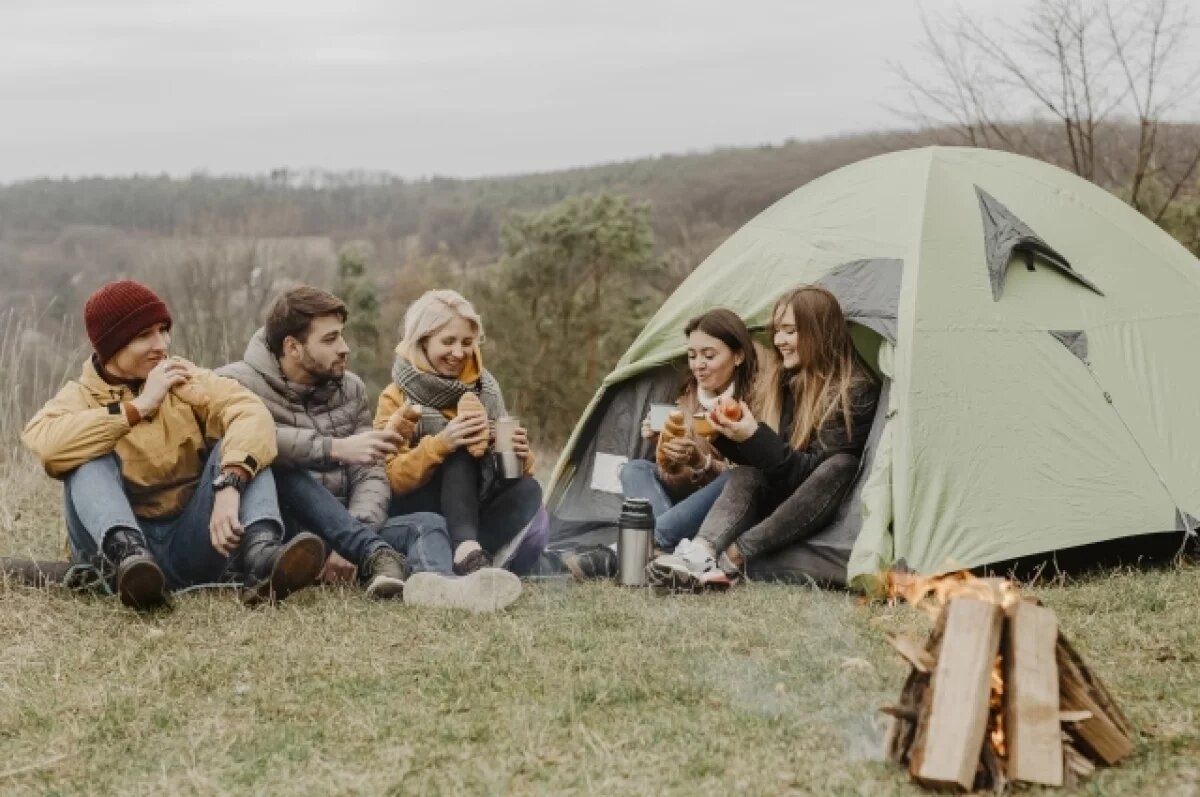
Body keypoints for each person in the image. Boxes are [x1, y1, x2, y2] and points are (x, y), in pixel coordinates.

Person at [21, 280, 325, 610]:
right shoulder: (77, 397)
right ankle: (131, 559)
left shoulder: (184, 377)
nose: (161, 344)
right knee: (85, 455)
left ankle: (261, 557)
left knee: (245, 448)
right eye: (144, 335)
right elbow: (47, 444)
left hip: (190, 542)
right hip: (114, 560)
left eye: (164, 330)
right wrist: (138, 408)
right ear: (111, 346)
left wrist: (230, 483)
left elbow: (251, 412)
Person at [219, 286, 521, 610]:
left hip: (351, 526)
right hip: (285, 531)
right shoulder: (236, 384)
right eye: (330, 339)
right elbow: (237, 444)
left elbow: (371, 471)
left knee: (429, 524)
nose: (344, 348)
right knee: (273, 459)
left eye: (342, 335)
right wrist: (335, 448)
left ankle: (442, 587)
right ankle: (299, 562)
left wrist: (353, 534)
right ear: (293, 347)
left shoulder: (350, 388)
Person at [647, 286, 880, 591]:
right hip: (779, 499)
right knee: (745, 474)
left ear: (819, 331)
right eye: (777, 331)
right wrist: (730, 435)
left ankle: (734, 556)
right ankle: (701, 553)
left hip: (817, 507)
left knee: (842, 465)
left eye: (790, 331)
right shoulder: (788, 381)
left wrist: (753, 435)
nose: (779, 340)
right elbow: (775, 467)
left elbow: (812, 476)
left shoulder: (855, 391)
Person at [563, 308, 759, 580]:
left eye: (709, 355)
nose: (698, 365)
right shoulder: (688, 398)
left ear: (738, 356)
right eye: (692, 355)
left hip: (726, 511)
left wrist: (701, 462)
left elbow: (752, 480)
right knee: (634, 469)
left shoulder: (757, 396)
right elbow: (675, 480)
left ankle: (622, 552)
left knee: (737, 477)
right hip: (687, 507)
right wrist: (665, 448)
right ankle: (667, 552)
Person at [375, 289, 543, 576]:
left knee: (529, 490)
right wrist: (441, 444)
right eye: (448, 341)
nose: (458, 353)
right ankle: (465, 551)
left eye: (466, 342)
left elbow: (512, 475)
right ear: (423, 341)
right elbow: (389, 478)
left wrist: (521, 454)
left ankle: (471, 559)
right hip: (422, 508)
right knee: (460, 451)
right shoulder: (395, 396)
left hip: (473, 507)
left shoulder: (486, 389)